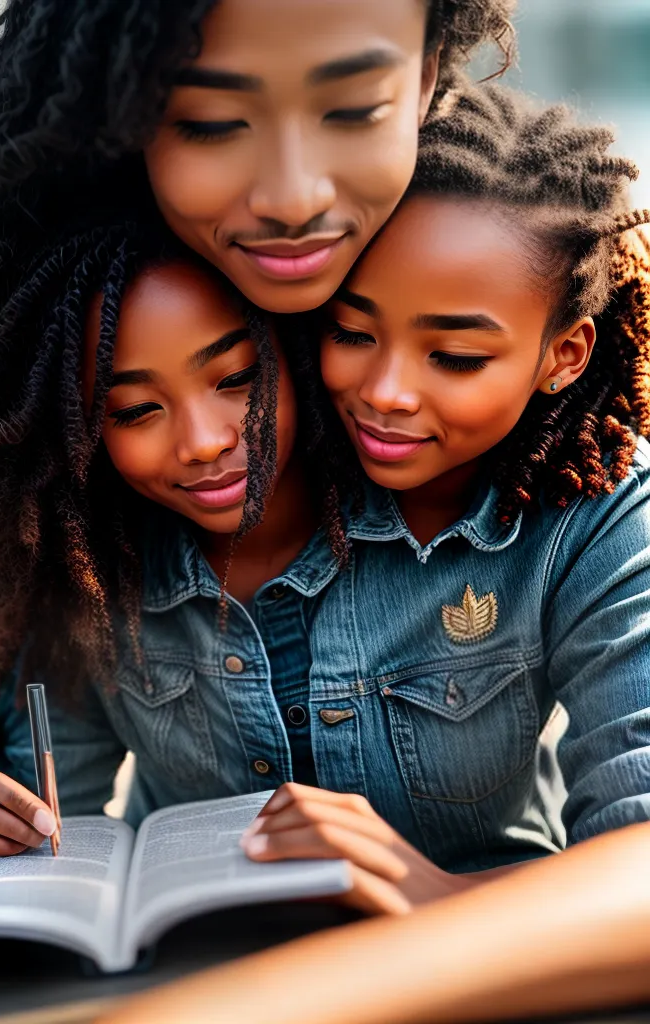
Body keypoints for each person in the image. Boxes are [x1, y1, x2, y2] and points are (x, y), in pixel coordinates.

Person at [0, 0, 517, 883]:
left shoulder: (527, 459)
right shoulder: (23, 490)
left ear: (425, 79)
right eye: (208, 121)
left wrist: (436, 900)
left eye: (351, 109)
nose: (292, 198)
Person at [234, 84, 650, 911]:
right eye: (352, 333)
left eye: (455, 356)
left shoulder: (600, 513)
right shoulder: (221, 463)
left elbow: (634, 856)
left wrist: (428, 897)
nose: (385, 393)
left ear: (562, 356)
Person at [95, 820, 650, 1024]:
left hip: (512, 963)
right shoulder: (82, 581)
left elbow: (633, 853)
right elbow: (67, 802)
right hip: (185, 954)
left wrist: (454, 894)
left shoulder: (549, 555)